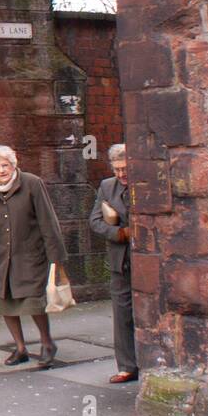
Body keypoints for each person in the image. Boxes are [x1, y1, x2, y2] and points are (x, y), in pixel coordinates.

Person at [0, 145, 69, 368]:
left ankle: (47, 344)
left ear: (13, 165)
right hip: (4, 256)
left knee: (33, 302)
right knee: (7, 304)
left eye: (5, 165)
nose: (1, 170)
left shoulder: (32, 183)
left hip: (31, 254)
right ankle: (20, 348)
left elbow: (47, 220)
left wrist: (56, 256)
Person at [89, 143, 137, 383]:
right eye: (117, 169)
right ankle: (127, 366)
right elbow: (95, 221)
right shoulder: (108, 186)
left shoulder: (146, 184)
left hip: (145, 260)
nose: (121, 174)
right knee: (121, 312)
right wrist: (119, 233)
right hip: (121, 259)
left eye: (125, 168)